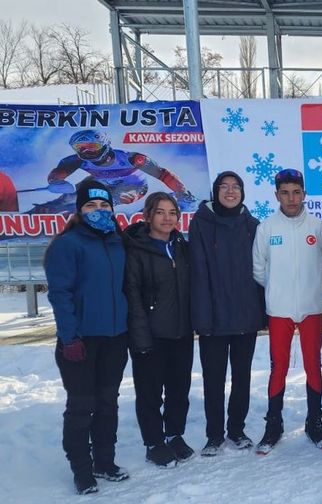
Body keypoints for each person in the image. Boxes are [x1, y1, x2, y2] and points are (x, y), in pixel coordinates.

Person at [44, 179, 130, 495]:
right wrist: (70, 338)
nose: (98, 211)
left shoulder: (119, 241)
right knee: (82, 405)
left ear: (112, 209)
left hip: (115, 338)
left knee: (108, 402)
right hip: (79, 341)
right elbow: (60, 293)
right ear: (79, 210)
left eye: (104, 205)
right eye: (91, 206)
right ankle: (82, 470)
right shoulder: (68, 244)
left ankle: (104, 462)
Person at [252, 169, 322, 454]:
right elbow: (259, 269)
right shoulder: (266, 228)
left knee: (313, 364)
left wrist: (316, 283)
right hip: (279, 310)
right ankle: (273, 425)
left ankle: (315, 423)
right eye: (285, 192)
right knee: (279, 367)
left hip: (311, 308)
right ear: (277, 195)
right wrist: (277, 289)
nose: (291, 198)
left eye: (296, 192)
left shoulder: (318, 226)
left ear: (304, 194)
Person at [189, 171, 266, 456]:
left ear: (243, 192)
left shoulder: (253, 226)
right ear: (215, 191)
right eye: (225, 187)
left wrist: (262, 313)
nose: (231, 192)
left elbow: (262, 273)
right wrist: (202, 317)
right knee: (213, 378)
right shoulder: (201, 224)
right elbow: (197, 274)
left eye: (236, 187)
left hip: (245, 316)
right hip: (213, 318)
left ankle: (236, 429)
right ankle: (214, 435)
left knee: (242, 376)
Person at [124, 192, 195, 468]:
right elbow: (132, 295)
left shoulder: (180, 245)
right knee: (150, 392)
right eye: (160, 212)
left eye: (172, 212)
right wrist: (140, 338)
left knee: (179, 389)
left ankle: (174, 434)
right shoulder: (137, 249)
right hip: (150, 335)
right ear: (148, 216)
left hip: (181, 332)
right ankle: (153, 442)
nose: (167, 218)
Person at [32, 130, 196, 214]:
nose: (87, 153)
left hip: (134, 185)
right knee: (70, 197)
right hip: (100, 181)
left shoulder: (132, 158)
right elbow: (58, 172)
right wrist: (56, 182)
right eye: (81, 148)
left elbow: (162, 174)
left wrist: (182, 192)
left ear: (105, 145)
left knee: (106, 200)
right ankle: (39, 213)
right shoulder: (77, 159)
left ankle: (78, 216)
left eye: (93, 147)